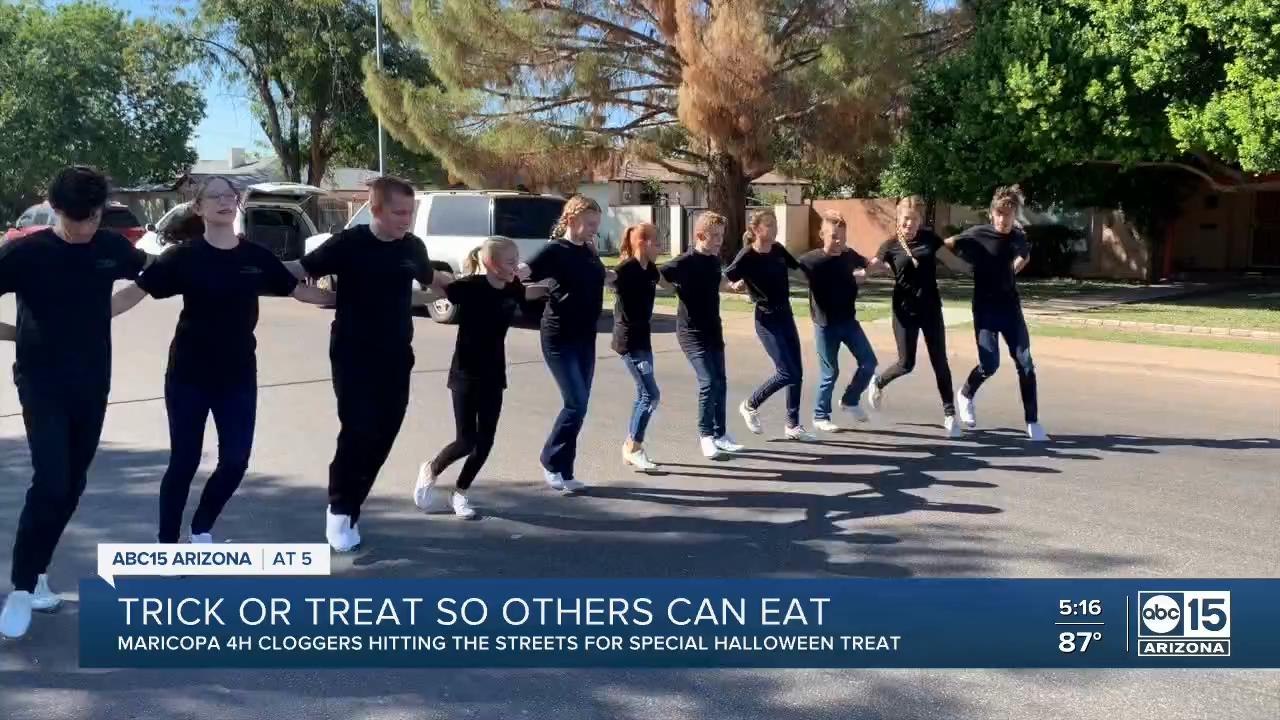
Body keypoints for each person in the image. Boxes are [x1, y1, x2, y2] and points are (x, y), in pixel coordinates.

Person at [108, 177, 336, 544]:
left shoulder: (255, 257)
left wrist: (351, 299)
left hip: (238, 376)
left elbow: (300, 291)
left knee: (235, 462)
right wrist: (87, 318)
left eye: (230, 196)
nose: (224, 201)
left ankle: (201, 528)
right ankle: (166, 543)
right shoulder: (183, 257)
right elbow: (135, 292)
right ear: (198, 208)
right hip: (188, 375)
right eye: (213, 196)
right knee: (184, 463)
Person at [0, 166, 152, 639]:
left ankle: (38, 569)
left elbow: (152, 275)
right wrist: (16, 336)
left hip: (92, 383)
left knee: (71, 486)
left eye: (94, 217)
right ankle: (21, 589)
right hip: (41, 381)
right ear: (56, 208)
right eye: (77, 218)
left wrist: (104, 311)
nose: (86, 227)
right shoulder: (26, 254)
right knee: (51, 479)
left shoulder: (110, 248)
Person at [289, 175, 453, 552]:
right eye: (398, 212)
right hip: (352, 354)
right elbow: (298, 271)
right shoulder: (349, 243)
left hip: (396, 356)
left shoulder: (412, 247)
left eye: (409, 212)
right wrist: (311, 296)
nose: (405, 219)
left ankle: (352, 504)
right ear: (375, 210)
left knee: (384, 434)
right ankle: (340, 507)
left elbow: (433, 278)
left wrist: (480, 283)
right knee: (358, 431)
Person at [414, 237, 549, 519]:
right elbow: (438, 291)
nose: (516, 265)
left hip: (493, 374)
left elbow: (529, 295)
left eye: (517, 259)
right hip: (464, 373)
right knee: (466, 440)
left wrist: (553, 286)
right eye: (510, 261)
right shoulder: (470, 287)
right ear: (491, 263)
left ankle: (460, 492)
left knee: (485, 441)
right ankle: (431, 468)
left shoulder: (512, 287)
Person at [943, 185, 1049, 442]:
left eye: (1009, 214)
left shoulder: (1018, 235)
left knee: (1026, 363)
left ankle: (1032, 421)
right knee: (990, 364)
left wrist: (1013, 270)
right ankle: (966, 394)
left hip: (1010, 308)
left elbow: (1024, 255)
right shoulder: (978, 233)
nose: (1004, 219)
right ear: (992, 213)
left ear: (1015, 215)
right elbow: (946, 245)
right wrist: (961, 267)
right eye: (999, 214)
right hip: (985, 309)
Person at [523, 195, 611, 493]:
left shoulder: (588, 250)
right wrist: (504, 271)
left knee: (579, 405)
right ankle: (550, 460)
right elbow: (524, 271)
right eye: (589, 224)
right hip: (559, 337)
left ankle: (566, 469)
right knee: (576, 402)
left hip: (586, 336)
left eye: (596, 225)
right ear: (571, 220)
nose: (593, 230)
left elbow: (598, 277)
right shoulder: (555, 250)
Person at [866, 197, 960, 438]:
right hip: (904, 311)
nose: (910, 223)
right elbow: (873, 266)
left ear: (920, 220)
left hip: (931, 308)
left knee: (940, 360)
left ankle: (950, 414)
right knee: (906, 363)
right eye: (906, 218)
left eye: (915, 218)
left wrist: (977, 264)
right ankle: (878, 382)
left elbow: (953, 261)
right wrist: (857, 271)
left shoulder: (930, 239)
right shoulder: (890, 246)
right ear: (898, 219)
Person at [725, 209, 816, 442]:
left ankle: (793, 425)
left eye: (776, 226)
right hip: (766, 319)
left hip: (785, 314)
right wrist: (736, 284)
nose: (775, 230)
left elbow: (798, 270)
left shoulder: (777, 250)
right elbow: (727, 278)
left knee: (797, 372)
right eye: (770, 226)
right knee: (786, 371)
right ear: (756, 230)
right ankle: (750, 404)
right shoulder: (747, 255)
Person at [659, 212, 744, 459]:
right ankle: (706, 436)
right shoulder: (684, 261)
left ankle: (721, 435)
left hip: (713, 330)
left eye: (721, 236)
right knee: (708, 382)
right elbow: (659, 275)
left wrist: (732, 287)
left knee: (721, 382)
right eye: (715, 236)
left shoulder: (712, 260)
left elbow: (716, 283)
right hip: (690, 333)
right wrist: (673, 289)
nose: (719, 241)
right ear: (700, 236)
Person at [797, 210, 877, 433]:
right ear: (822, 235)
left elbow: (869, 264)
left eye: (842, 235)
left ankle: (850, 400)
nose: (839, 240)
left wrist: (877, 267)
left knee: (869, 363)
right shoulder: (811, 260)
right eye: (833, 236)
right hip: (825, 325)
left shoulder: (849, 255)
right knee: (830, 372)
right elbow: (785, 269)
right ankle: (820, 416)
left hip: (849, 322)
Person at [611, 222, 663, 472]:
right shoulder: (626, 269)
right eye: (657, 242)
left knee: (644, 394)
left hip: (644, 339)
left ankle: (631, 445)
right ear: (642, 243)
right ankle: (633, 448)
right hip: (629, 341)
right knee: (651, 394)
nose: (661, 247)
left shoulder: (651, 270)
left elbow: (670, 284)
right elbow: (609, 281)